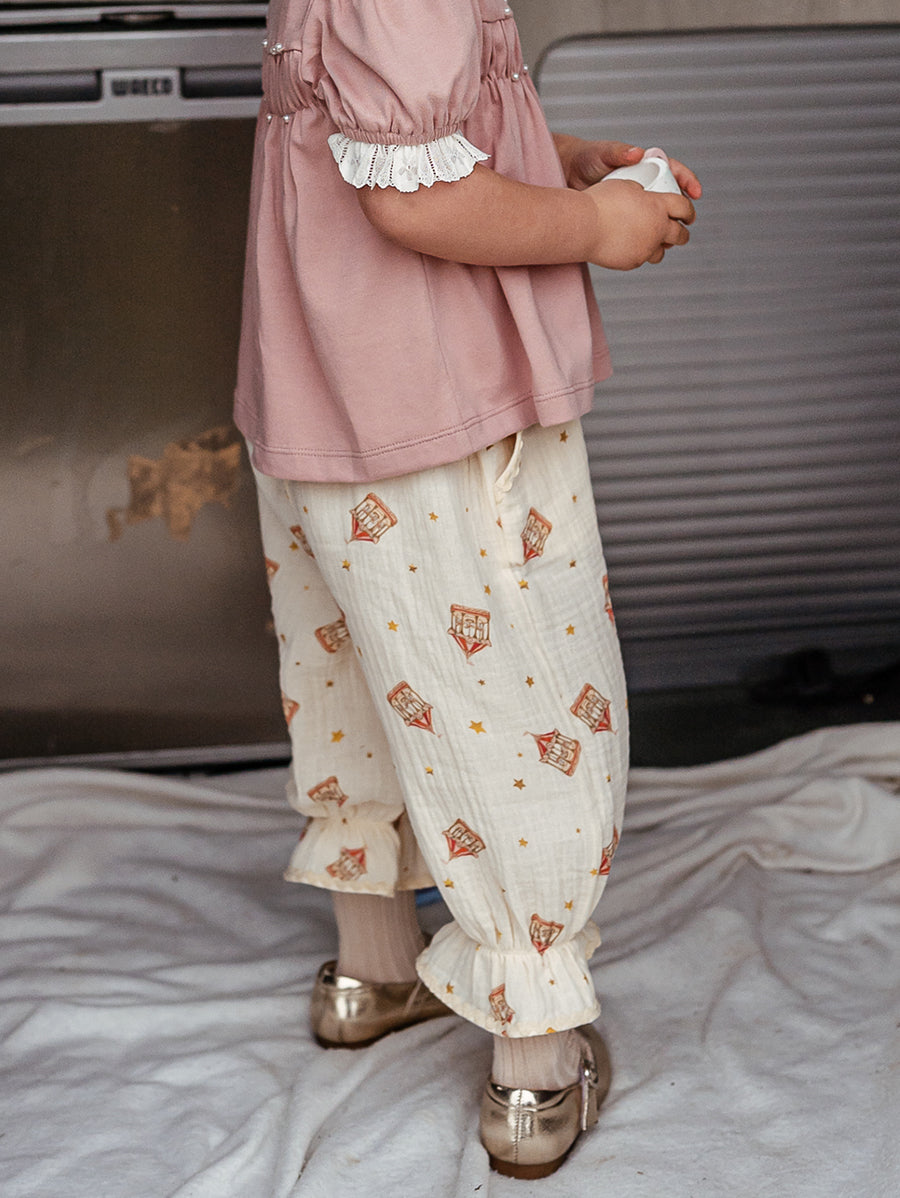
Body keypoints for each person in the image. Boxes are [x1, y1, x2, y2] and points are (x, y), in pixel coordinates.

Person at [234, 0, 700, 1178]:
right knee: (518, 704)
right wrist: (593, 224)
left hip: (321, 404)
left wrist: (550, 162)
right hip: (441, 412)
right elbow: (416, 201)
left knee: (358, 678)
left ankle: (373, 968)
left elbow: (379, 141)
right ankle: (535, 1068)